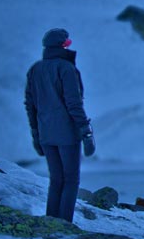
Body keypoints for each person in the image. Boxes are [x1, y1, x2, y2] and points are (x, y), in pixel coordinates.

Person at [25, 28, 95, 222]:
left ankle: (51, 222)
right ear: (63, 46)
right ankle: (64, 224)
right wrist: (85, 131)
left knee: (56, 180)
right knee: (71, 180)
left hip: (46, 134)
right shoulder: (67, 69)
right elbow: (73, 104)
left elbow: (30, 105)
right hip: (67, 134)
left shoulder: (35, 70)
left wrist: (35, 134)